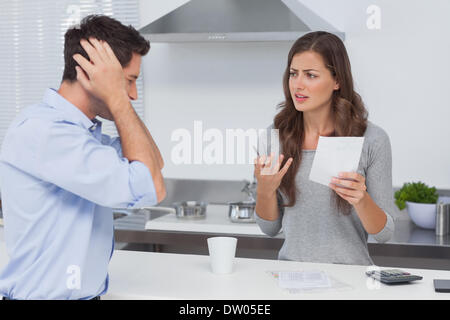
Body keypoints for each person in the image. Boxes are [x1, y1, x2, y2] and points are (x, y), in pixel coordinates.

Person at [0, 15, 166, 299]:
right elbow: (150, 186)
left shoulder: (83, 134)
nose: (133, 95)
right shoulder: (46, 133)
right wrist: (116, 98)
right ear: (91, 75)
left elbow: (153, 166)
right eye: (128, 81)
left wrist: (118, 98)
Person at [254, 31, 395, 266]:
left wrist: (361, 200)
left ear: (337, 80)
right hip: (290, 278)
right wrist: (264, 191)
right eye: (293, 74)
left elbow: (384, 233)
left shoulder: (372, 139)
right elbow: (269, 228)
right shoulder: (274, 136)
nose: (297, 85)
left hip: (352, 279)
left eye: (310, 75)